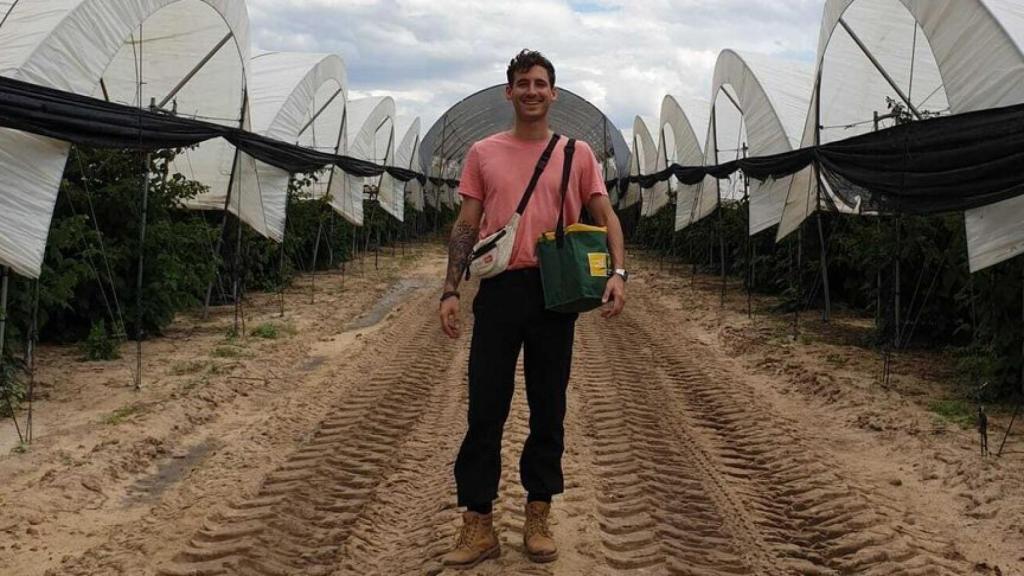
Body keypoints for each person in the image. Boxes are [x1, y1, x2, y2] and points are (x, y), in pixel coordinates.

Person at [438, 49, 627, 568]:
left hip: (555, 293)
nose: (532, 91)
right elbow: (466, 224)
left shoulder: (577, 152)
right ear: (509, 92)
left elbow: (605, 215)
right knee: (485, 410)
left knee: (549, 409)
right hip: (499, 292)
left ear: (553, 92)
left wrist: (619, 272)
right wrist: (451, 289)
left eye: (540, 83)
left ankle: (537, 515)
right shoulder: (483, 152)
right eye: (523, 83)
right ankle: (477, 524)